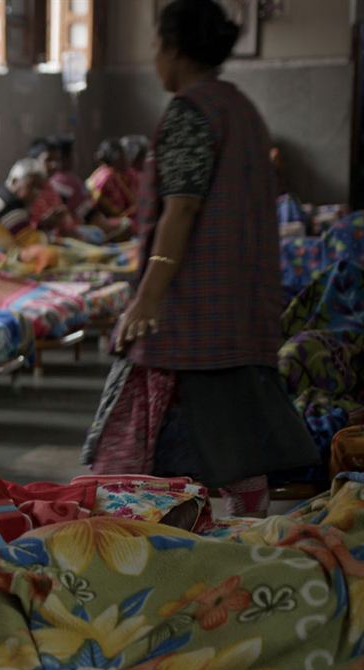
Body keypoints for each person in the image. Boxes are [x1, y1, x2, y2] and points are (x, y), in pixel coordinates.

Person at [82, 0, 317, 518]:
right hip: (239, 312)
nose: (155, 59)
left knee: (168, 449)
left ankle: (165, 545)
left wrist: (146, 298)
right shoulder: (243, 110)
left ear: (173, 49)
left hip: (192, 319)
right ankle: (227, 533)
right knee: (231, 438)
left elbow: (182, 209)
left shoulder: (192, 112)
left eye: (156, 47)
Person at [86, 139, 138, 228]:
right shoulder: (106, 177)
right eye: (123, 155)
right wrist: (131, 212)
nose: (126, 159)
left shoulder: (119, 174)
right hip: (105, 222)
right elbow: (114, 212)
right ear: (115, 157)